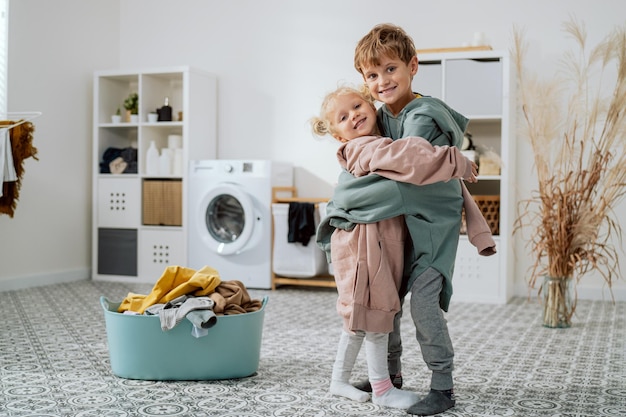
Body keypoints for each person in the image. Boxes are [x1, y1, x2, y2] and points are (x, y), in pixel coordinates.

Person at [324, 23, 488, 416]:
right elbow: (371, 163)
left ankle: (443, 388)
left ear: (413, 66)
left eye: (391, 69)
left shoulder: (422, 116)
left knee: (424, 308)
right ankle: (391, 376)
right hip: (402, 228)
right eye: (373, 75)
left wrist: (455, 161)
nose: (383, 81)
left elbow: (409, 164)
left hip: (432, 229)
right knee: (389, 302)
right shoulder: (383, 116)